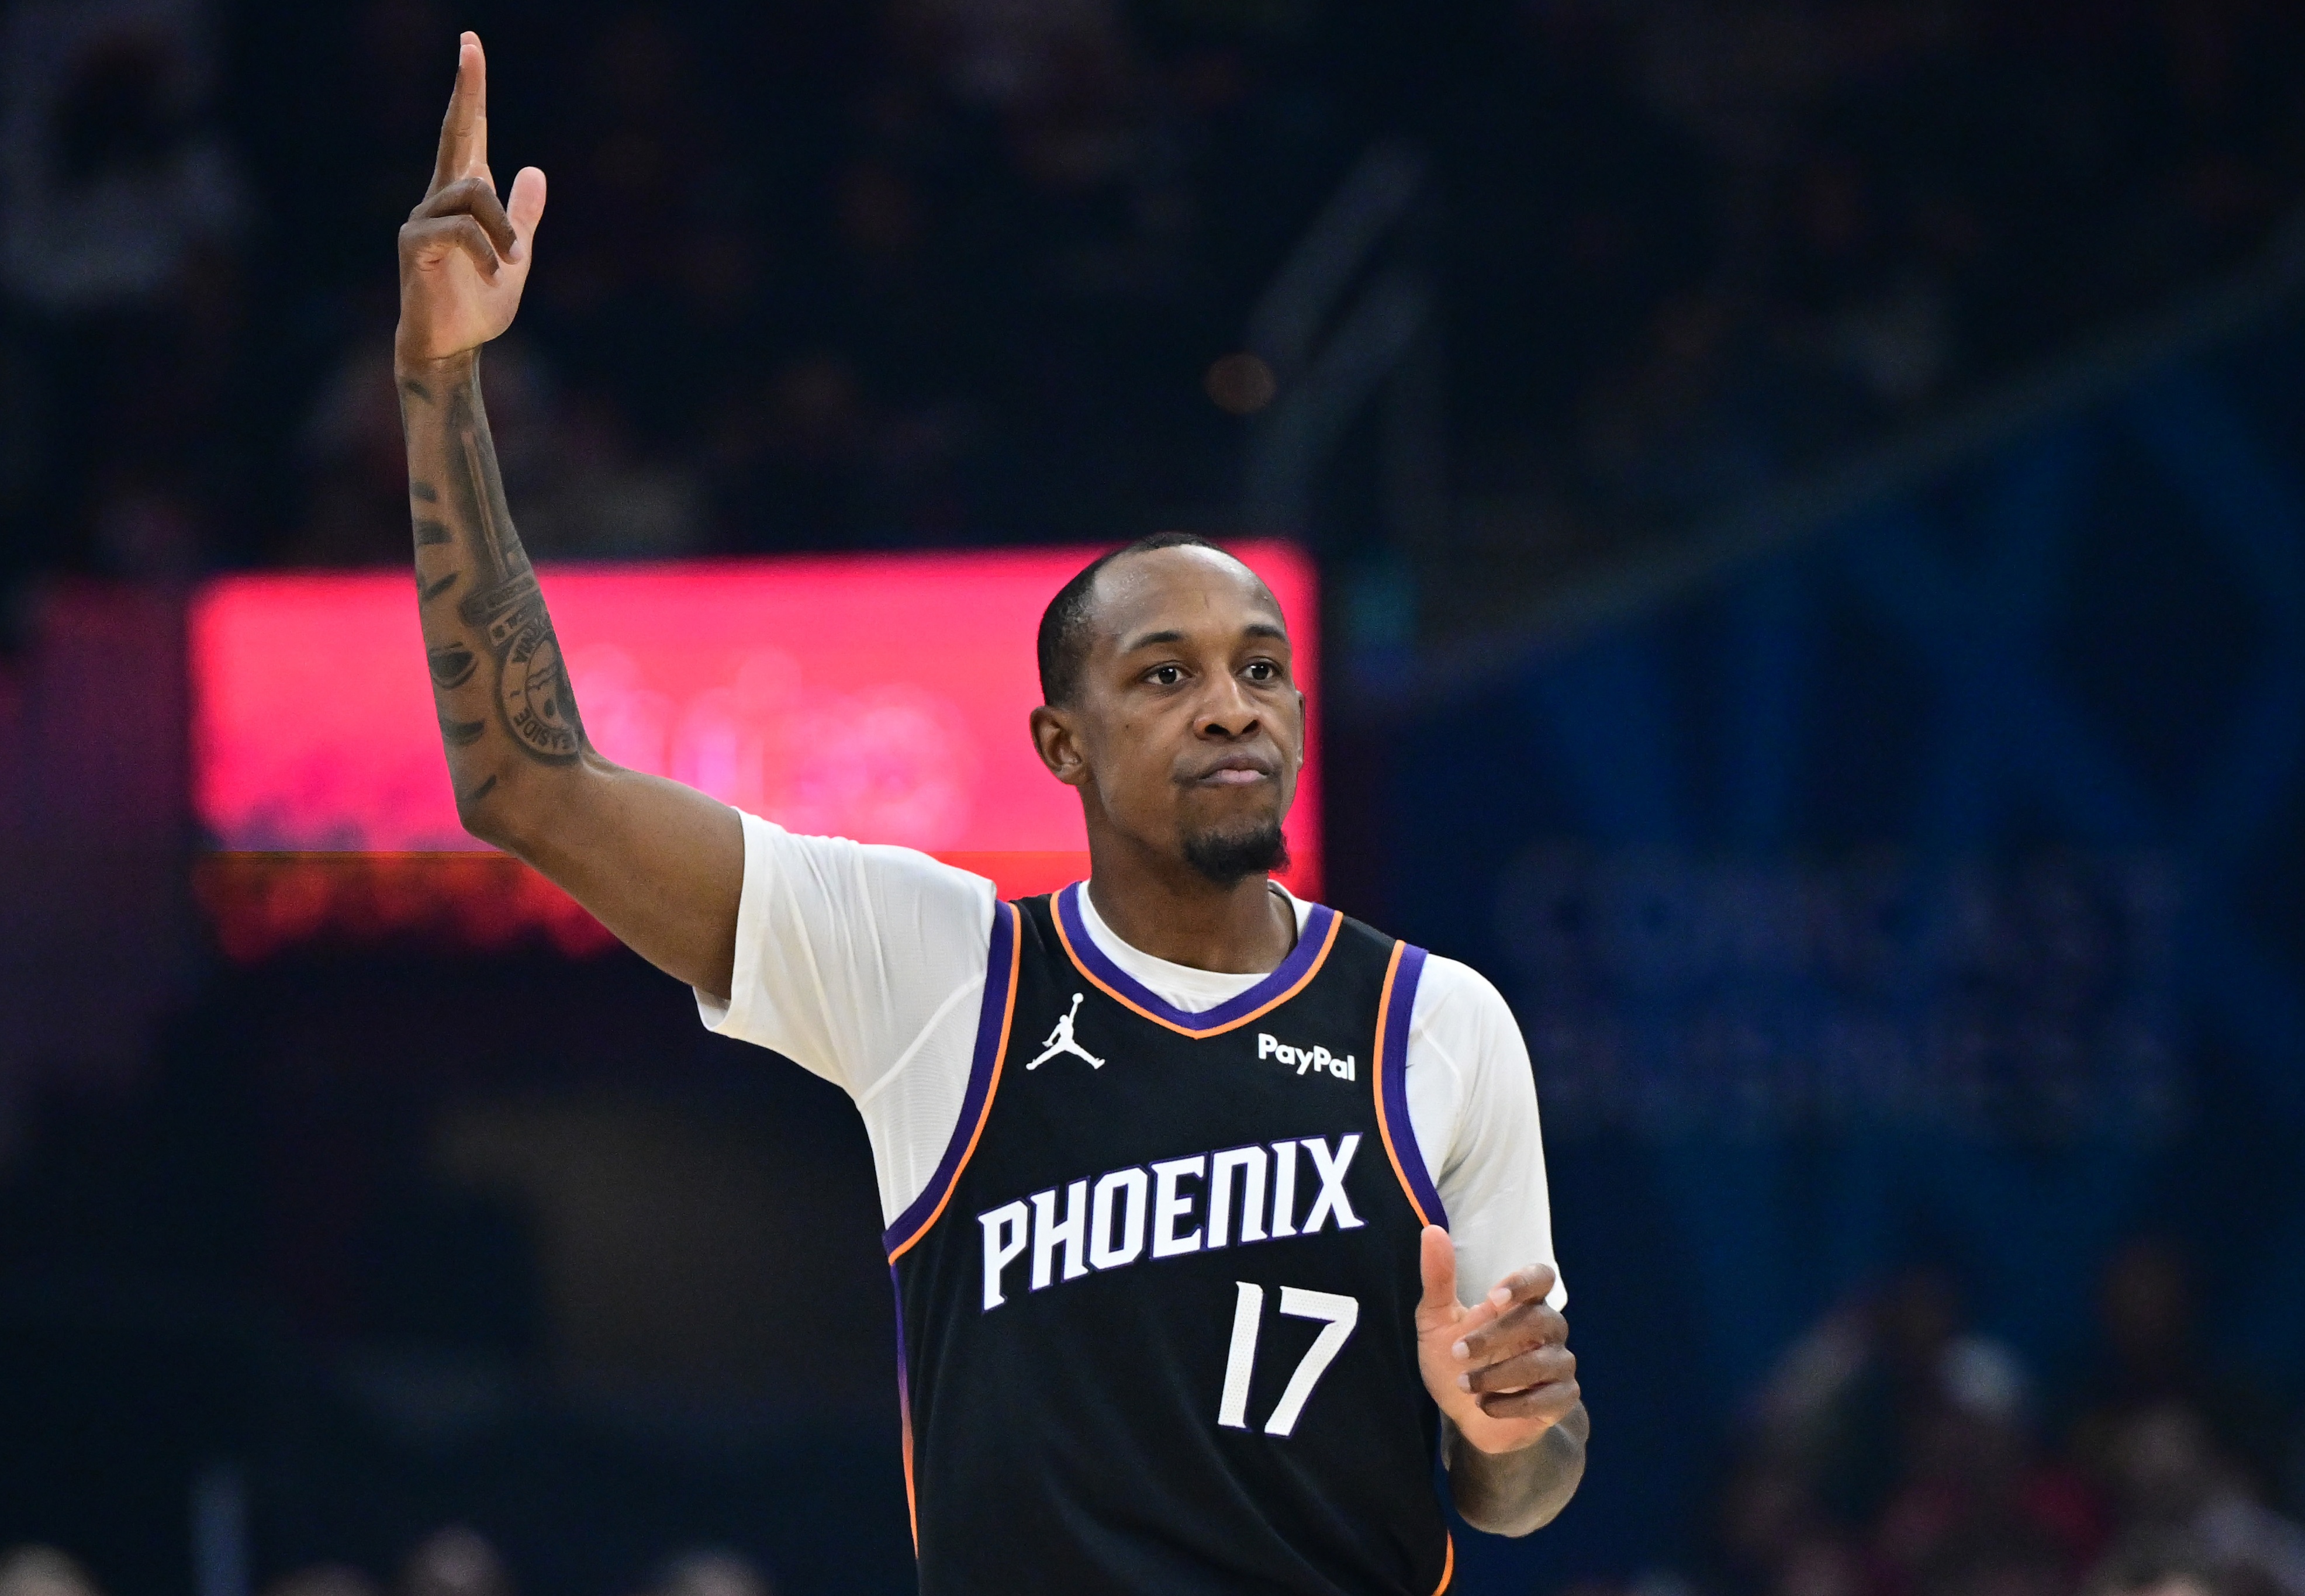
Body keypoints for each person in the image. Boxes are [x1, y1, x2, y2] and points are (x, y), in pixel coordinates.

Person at [393, 33, 1585, 1593]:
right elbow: (527, 782)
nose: (1232, 705)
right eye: (1164, 675)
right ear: (1059, 744)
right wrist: (439, 378)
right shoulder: (944, 974)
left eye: (1261, 668)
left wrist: (1503, 1423)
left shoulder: (1439, 1023)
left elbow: (1526, 1483)